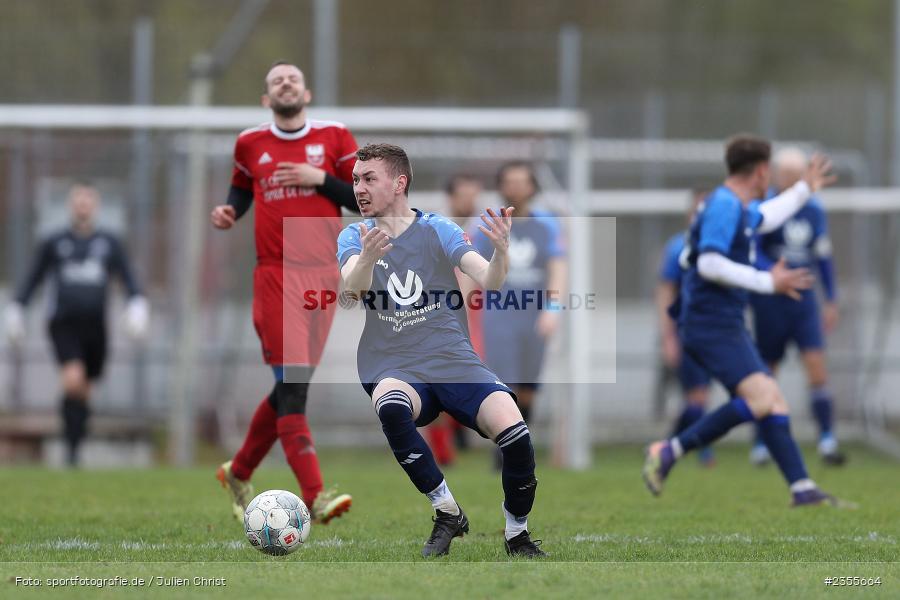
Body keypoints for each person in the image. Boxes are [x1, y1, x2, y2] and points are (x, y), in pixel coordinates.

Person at [338, 143, 545, 558]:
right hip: (393, 363)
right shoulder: (353, 235)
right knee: (390, 405)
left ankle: (516, 534)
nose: (358, 188)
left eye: (368, 179)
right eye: (356, 180)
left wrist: (501, 253)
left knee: (517, 436)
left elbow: (489, 280)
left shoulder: (436, 229)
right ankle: (447, 510)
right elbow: (350, 291)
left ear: (399, 183)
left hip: (453, 359)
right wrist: (366, 258)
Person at [642, 134, 849, 507]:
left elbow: (768, 217)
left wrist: (804, 190)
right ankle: (670, 449)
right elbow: (709, 262)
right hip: (712, 324)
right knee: (762, 398)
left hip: (724, 323)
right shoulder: (724, 205)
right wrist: (768, 281)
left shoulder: (734, 205)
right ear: (760, 171)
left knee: (772, 401)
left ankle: (802, 488)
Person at [210, 61, 357, 524]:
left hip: (324, 276)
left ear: (306, 93)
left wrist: (321, 181)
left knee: (290, 386)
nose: (285, 84)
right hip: (277, 275)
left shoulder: (335, 136)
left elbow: (361, 198)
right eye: (276, 80)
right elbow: (241, 189)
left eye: (292, 78)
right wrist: (231, 211)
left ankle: (240, 470)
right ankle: (314, 495)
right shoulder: (250, 143)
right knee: (292, 388)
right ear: (266, 99)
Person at [3, 181, 148, 466]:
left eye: (88, 200)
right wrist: (17, 306)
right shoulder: (55, 242)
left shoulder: (109, 242)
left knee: (84, 388)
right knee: (72, 379)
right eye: (78, 200)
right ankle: (71, 453)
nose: (83, 205)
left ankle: (76, 443)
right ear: (71, 205)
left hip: (96, 326)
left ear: (95, 205)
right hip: (63, 322)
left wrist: (137, 302)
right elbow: (34, 277)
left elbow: (127, 276)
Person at [748, 147, 845, 466]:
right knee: (766, 373)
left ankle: (827, 440)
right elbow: (753, 251)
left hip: (803, 303)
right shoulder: (764, 208)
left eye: (795, 174)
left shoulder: (813, 210)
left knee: (816, 366)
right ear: (775, 175)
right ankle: (762, 444)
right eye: (785, 174)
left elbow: (823, 257)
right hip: (771, 301)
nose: (790, 180)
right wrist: (771, 273)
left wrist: (831, 298)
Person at [471, 162, 566, 432]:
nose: (515, 187)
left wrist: (553, 309)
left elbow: (557, 267)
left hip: (534, 317)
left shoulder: (546, 225)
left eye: (521, 181)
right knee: (504, 384)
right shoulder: (485, 224)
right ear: (501, 186)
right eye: (509, 181)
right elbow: (470, 268)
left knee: (528, 388)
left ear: (532, 187)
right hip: (499, 316)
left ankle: (519, 440)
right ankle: (504, 448)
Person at [427, 174, 485, 465]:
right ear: (451, 197)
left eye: (474, 195)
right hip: (437, 316)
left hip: (475, 318)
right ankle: (442, 450)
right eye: (463, 194)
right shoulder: (436, 230)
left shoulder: (483, 231)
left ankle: (459, 432)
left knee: (466, 378)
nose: (469, 201)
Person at [655, 194, 715, 467]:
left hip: (718, 332)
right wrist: (668, 336)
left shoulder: (723, 246)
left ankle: (669, 447)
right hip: (687, 332)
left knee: (701, 396)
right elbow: (665, 291)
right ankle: (694, 448)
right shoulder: (678, 247)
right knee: (697, 396)